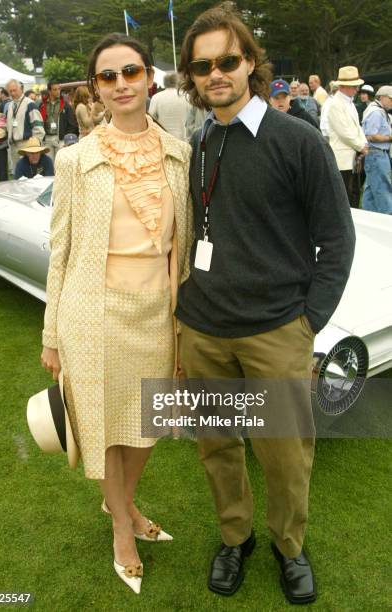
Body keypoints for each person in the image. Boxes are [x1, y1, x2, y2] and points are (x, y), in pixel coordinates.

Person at [177, 5, 355, 604]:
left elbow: (337, 238)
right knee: (218, 447)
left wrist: (309, 322)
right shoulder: (199, 141)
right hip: (202, 330)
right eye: (202, 66)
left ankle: (288, 547)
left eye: (227, 60)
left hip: (277, 331)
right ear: (192, 76)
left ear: (250, 63)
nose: (215, 73)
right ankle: (236, 536)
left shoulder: (297, 140)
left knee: (284, 457)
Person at [40, 32, 193, 595]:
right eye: (108, 76)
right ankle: (124, 529)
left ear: (151, 77)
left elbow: (187, 242)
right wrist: (52, 333)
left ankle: (121, 506)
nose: (122, 84)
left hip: (157, 315)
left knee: (144, 424)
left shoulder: (179, 154)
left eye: (131, 72)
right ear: (95, 88)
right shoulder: (75, 159)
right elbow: (60, 250)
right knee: (104, 424)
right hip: (91, 314)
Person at [328, 66, 368, 208]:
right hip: (342, 159)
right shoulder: (334, 104)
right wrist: (361, 146)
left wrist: (363, 143)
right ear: (343, 86)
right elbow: (343, 132)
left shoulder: (349, 103)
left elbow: (357, 127)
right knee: (345, 196)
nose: (357, 89)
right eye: (354, 86)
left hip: (353, 157)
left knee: (356, 193)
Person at [361, 85, 392, 214]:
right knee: (383, 189)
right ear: (382, 97)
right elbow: (371, 135)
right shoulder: (376, 112)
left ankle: (368, 219)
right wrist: (390, 137)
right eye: (391, 99)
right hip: (377, 155)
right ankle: (387, 222)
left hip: (374, 155)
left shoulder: (376, 110)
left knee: (370, 192)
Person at [6, 79, 45, 169]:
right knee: (18, 174)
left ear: (21, 89)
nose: (12, 93)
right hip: (13, 146)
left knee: (29, 173)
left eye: (14, 90)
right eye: (10, 91)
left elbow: (38, 127)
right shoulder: (10, 105)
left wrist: (34, 148)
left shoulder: (30, 104)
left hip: (27, 145)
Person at [39, 81, 79, 160]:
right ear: (49, 91)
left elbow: (72, 124)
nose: (58, 91)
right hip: (47, 138)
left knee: (61, 162)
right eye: (55, 89)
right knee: (49, 164)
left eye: (59, 89)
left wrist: (66, 138)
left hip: (60, 139)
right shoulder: (43, 105)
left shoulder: (65, 105)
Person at [149, 72, 190, 140]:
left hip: (163, 139)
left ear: (164, 83)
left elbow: (151, 118)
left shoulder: (156, 97)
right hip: (183, 138)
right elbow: (192, 119)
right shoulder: (186, 97)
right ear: (177, 82)